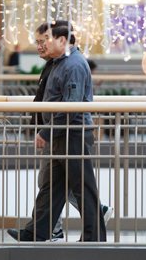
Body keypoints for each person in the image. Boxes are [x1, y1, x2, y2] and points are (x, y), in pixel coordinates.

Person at [8, 25, 107, 242]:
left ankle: (94, 237)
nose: (41, 44)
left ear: (63, 40)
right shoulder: (59, 63)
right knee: (51, 187)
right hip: (61, 134)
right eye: (39, 40)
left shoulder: (74, 65)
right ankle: (36, 232)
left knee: (83, 188)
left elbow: (70, 107)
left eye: (46, 39)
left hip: (73, 134)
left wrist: (45, 132)